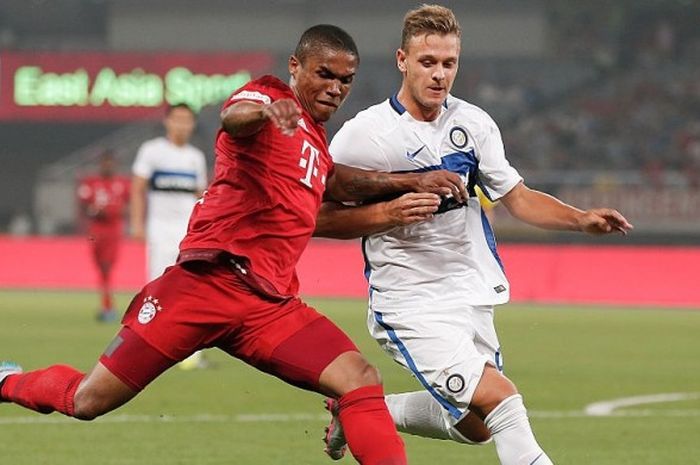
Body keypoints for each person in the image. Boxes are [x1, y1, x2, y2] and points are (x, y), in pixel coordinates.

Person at [0, 24, 466, 465]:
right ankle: (7, 380)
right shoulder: (268, 96)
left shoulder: (316, 144)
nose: (335, 87)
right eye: (324, 74)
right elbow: (233, 118)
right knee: (87, 401)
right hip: (203, 285)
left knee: (359, 379)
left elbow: (335, 182)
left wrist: (412, 181)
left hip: (268, 305)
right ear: (295, 66)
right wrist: (266, 110)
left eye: (346, 79)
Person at [316, 6, 633, 465]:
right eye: (428, 62)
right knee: (502, 399)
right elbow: (316, 217)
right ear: (402, 60)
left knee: (478, 425)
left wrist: (580, 219)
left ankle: (361, 408)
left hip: (469, 291)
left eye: (449, 63)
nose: (440, 74)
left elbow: (518, 197)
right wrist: (388, 211)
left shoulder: (474, 124)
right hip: (410, 300)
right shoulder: (364, 136)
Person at [130, 102, 208, 369]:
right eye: (177, 119)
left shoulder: (195, 157)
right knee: (156, 290)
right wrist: (137, 223)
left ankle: (190, 354)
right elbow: (137, 188)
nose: (182, 125)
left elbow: (202, 197)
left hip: (189, 235)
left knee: (191, 290)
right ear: (167, 122)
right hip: (160, 231)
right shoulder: (152, 151)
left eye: (187, 120)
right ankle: (145, 346)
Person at [77, 150, 130, 322]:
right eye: (105, 163)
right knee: (101, 268)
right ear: (101, 164)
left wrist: (118, 211)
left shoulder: (122, 184)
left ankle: (108, 306)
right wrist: (96, 211)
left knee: (107, 268)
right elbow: (83, 205)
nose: (108, 166)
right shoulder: (91, 182)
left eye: (110, 163)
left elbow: (129, 205)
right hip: (96, 230)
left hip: (113, 231)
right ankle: (107, 304)